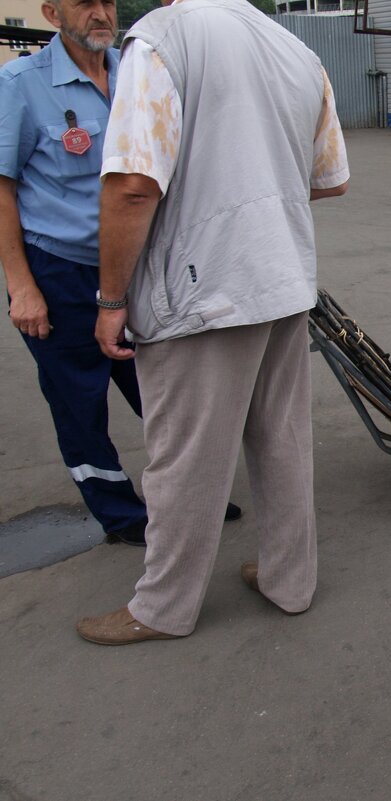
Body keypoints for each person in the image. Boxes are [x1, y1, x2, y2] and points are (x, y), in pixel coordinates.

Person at [74, 0, 349, 645]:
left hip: (202, 289)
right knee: (280, 440)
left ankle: (162, 608)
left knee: (184, 457)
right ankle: (291, 581)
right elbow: (329, 179)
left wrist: (111, 300)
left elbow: (134, 185)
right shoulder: (295, 50)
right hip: (281, 276)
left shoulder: (164, 39)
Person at [0, 0, 242, 547]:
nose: (100, 13)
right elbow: (3, 189)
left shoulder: (138, 68)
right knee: (79, 404)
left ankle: (183, 497)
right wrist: (21, 286)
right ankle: (122, 516)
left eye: (107, 1)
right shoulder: (20, 84)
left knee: (163, 391)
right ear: (51, 11)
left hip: (139, 269)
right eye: (84, 2)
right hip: (61, 273)